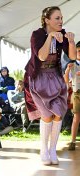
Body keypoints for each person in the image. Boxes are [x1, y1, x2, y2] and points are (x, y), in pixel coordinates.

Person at [24, 6, 76, 165]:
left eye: (61, 18)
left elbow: (72, 57)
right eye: (57, 18)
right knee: (46, 115)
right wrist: (50, 37)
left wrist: (71, 41)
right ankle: (43, 149)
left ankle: (53, 149)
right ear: (47, 20)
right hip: (38, 79)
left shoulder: (63, 34)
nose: (61, 21)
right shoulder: (37, 35)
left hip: (55, 77)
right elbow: (41, 56)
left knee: (58, 113)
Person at [64, 41, 80, 150]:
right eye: (78, 51)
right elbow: (66, 81)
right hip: (77, 92)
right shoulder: (72, 64)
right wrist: (68, 70)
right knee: (76, 117)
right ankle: (72, 141)